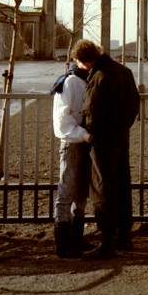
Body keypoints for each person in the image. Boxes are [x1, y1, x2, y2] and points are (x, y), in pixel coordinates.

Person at [77, 39, 140, 259]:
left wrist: (90, 132)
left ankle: (107, 240)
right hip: (121, 135)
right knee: (122, 184)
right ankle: (125, 235)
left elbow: (91, 108)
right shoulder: (125, 71)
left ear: (85, 60)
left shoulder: (99, 75)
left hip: (103, 139)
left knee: (102, 187)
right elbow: (135, 103)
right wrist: (123, 127)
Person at [52, 49, 93, 259]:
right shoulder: (68, 82)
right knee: (66, 190)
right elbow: (62, 122)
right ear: (78, 60)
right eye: (86, 60)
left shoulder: (87, 80)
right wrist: (83, 135)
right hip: (72, 142)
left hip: (86, 142)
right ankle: (62, 242)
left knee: (81, 193)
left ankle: (77, 236)